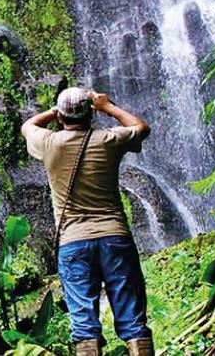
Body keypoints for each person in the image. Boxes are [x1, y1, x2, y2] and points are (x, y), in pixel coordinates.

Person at [21, 87, 154, 356]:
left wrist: (55, 110)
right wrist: (106, 106)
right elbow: (141, 127)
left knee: (84, 327)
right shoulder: (108, 139)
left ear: (60, 117)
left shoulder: (49, 143)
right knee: (133, 320)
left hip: (73, 242)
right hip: (115, 237)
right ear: (91, 114)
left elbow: (27, 126)